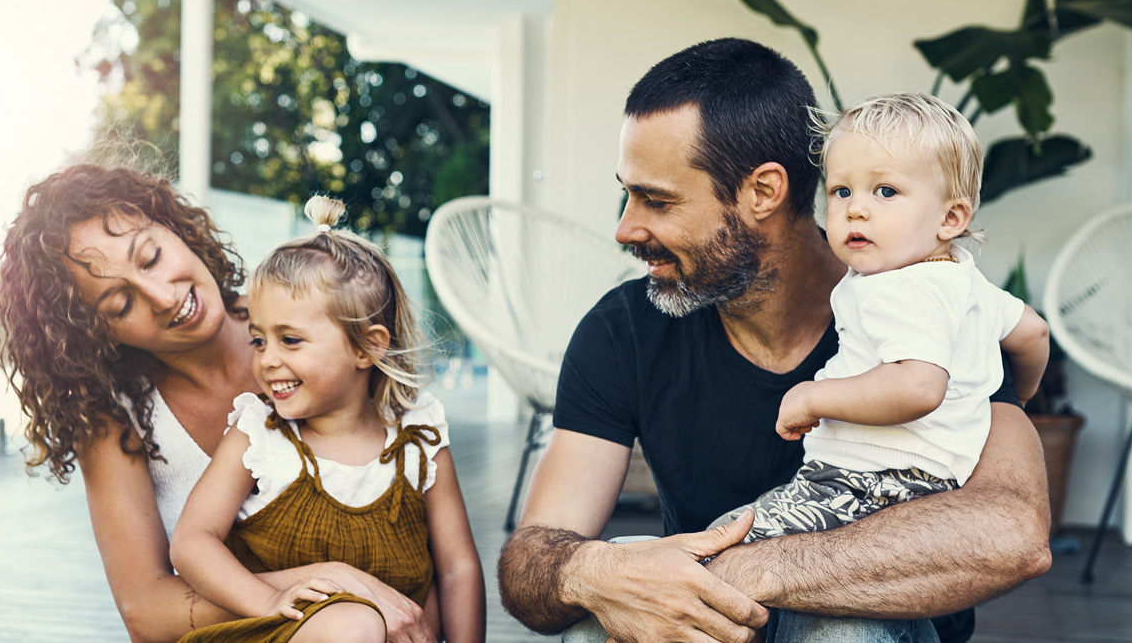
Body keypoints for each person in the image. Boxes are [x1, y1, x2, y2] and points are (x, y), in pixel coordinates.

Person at [495, 39, 1052, 643]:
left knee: (843, 633)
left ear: (763, 191)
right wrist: (595, 571)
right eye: (627, 194)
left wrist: (740, 571)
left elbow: (1012, 535)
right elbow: (532, 563)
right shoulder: (625, 328)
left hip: (855, 620)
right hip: (713, 618)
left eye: (656, 200)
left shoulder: (935, 308)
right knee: (601, 611)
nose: (626, 228)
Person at [0, 164, 440, 643]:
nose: (163, 297)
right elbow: (145, 612)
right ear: (93, 333)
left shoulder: (321, 316)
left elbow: (433, 535)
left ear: (173, 226)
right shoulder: (115, 420)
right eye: (120, 306)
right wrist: (336, 585)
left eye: (151, 257)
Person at [709, 92, 1051, 545]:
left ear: (951, 217)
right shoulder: (962, 279)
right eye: (841, 191)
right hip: (932, 481)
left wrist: (813, 397)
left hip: (868, 480)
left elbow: (917, 387)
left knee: (723, 542)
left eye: (885, 191)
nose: (855, 208)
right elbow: (1033, 332)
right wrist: (1020, 397)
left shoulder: (897, 289)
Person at [170, 196, 485, 643]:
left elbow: (458, 566)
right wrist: (265, 601)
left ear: (367, 347)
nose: (267, 360)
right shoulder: (258, 435)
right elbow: (191, 543)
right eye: (259, 340)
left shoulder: (419, 437)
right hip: (275, 633)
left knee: (427, 601)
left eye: (291, 339)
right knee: (353, 626)